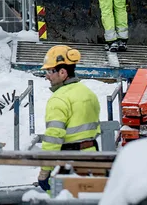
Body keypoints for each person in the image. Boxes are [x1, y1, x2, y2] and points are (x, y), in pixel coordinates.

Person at [36, 45, 101, 193]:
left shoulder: (59, 98)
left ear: (63, 72)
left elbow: (53, 138)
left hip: (70, 163)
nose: (47, 76)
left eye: (49, 71)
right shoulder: (88, 93)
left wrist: (44, 171)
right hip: (93, 158)